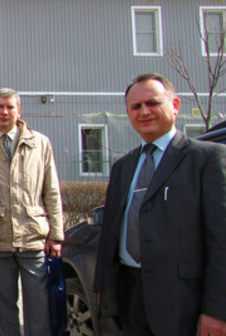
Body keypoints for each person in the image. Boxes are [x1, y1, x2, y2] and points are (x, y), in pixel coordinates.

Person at [94, 73, 226, 335]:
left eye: (153, 103)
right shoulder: (123, 167)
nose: (144, 111)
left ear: (175, 105)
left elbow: (222, 241)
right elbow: (110, 233)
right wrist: (103, 290)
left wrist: (217, 310)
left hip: (182, 302)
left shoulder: (206, 159)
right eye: (136, 106)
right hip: (130, 298)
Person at [0, 88, 63, 336]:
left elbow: (51, 191)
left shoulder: (40, 143)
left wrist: (56, 235)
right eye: (0, 106)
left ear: (19, 111)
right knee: (3, 307)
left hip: (33, 238)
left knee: (39, 306)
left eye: (10, 107)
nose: (5, 111)